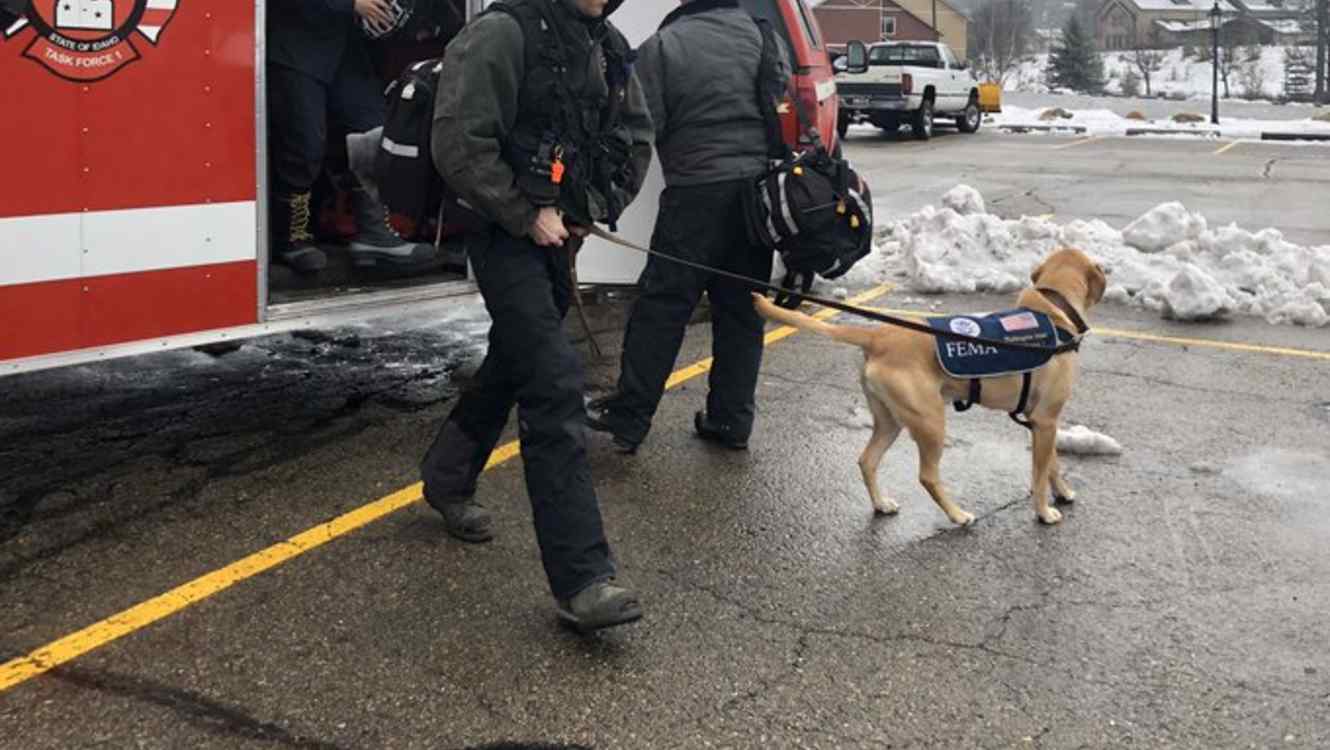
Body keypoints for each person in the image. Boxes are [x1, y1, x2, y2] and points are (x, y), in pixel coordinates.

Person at [419, 0, 654, 631]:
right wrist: (526, 214)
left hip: (558, 234)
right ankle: (582, 581)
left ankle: (445, 477)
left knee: (515, 362)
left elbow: (635, 139)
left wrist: (592, 206)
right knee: (553, 380)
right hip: (503, 235)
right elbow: (459, 142)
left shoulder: (607, 46)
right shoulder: (499, 33)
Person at [586, 0, 789, 454]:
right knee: (741, 312)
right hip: (755, 201)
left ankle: (631, 418)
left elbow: (641, 122)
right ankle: (731, 422)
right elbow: (778, 102)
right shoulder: (762, 35)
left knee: (663, 307)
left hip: (695, 194)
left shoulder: (665, 46)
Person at [266, 0, 436, 274]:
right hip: (296, 45)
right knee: (304, 146)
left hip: (347, 49)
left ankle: (375, 233)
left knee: (374, 131)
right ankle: (291, 239)